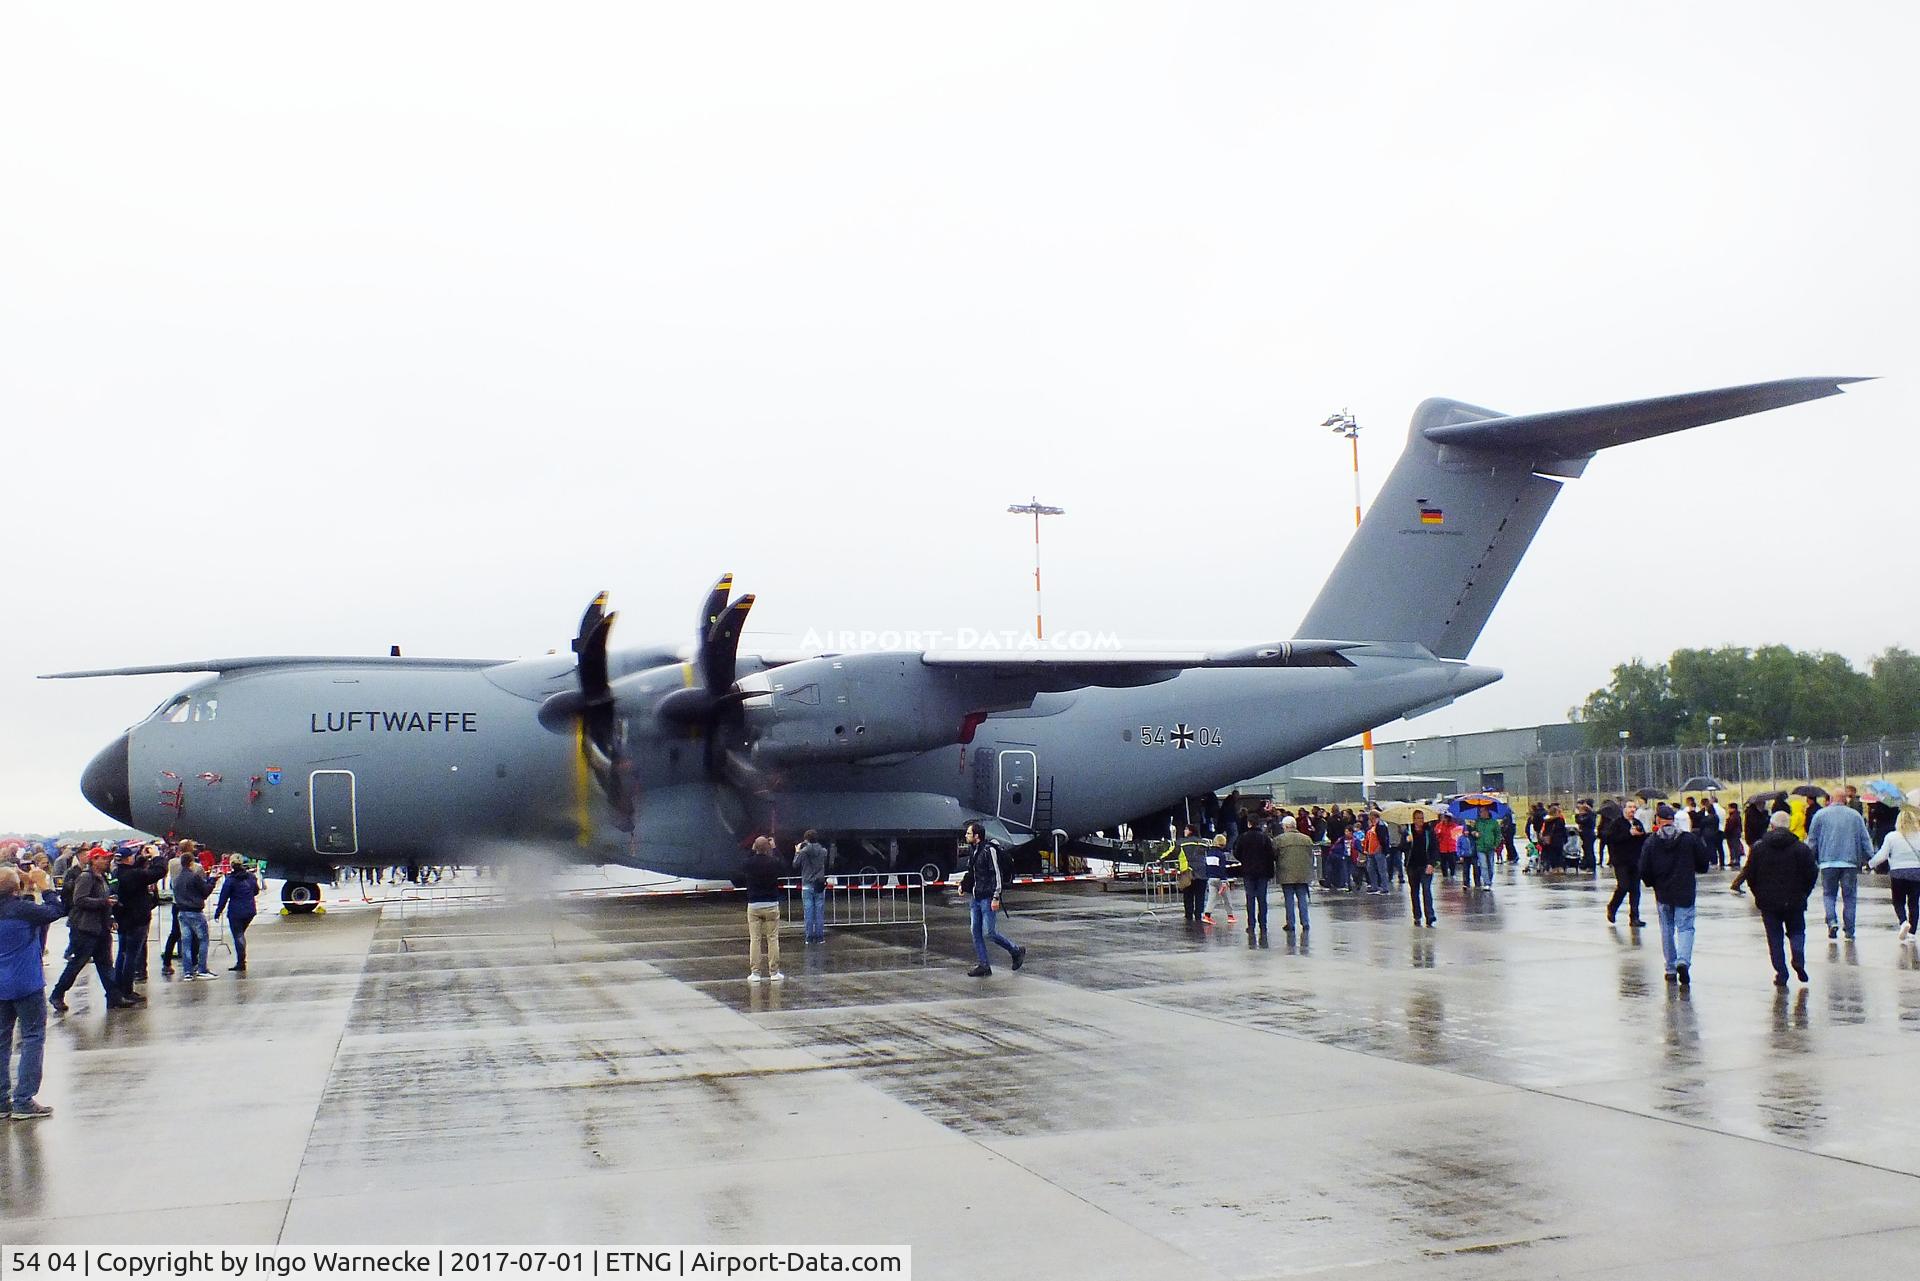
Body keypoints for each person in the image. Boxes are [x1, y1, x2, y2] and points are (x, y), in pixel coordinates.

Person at [0, 867, 66, 1119]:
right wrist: (44, 885)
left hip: (1, 983)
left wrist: (23, 888)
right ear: (15, 888)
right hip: (26, 981)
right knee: (32, 1037)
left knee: (2, 1040)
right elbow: (56, 911)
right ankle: (24, 1099)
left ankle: (1, 1099)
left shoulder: (17, 909)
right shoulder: (23, 911)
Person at [1733, 811, 1818, 985]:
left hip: (1768, 901)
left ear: (1771, 825)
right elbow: (1812, 873)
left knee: (1774, 937)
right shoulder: (1801, 848)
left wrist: (1758, 894)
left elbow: (1750, 874)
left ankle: (1781, 972)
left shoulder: (1759, 848)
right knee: (1797, 931)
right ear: (1788, 825)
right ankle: (1798, 959)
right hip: (1795, 899)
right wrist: (1804, 893)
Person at [1640, 804, 1711, 986]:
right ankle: (1683, 961)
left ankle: (1670, 967)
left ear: (1658, 819)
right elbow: (1703, 862)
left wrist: (1651, 882)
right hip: (1685, 889)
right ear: (1673, 819)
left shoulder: (1651, 841)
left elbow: (1644, 868)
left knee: (1667, 928)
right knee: (1686, 928)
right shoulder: (1688, 839)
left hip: (1663, 891)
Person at [49, 847, 126, 1012]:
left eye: (107, 858)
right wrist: (104, 902)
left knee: (105, 964)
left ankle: (115, 996)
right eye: (104, 858)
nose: (107, 861)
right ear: (94, 860)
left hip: (100, 928)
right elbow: (80, 900)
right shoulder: (86, 877)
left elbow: (102, 901)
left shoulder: (102, 878)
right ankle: (57, 994)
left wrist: (110, 917)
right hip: (84, 928)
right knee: (77, 964)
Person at [1808, 792, 1875, 941]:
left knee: (1829, 894)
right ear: (1845, 801)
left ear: (1830, 800)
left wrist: (1807, 859)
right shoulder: (1855, 816)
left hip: (1827, 862)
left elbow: (1812, 840)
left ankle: (1832, 921)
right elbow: (1865, 839)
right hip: (1850, 862)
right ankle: (1850, 930)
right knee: (1850, 897)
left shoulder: (1820, 815)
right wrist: (1872, 859)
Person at [962, 821, 1024, 976]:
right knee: (975, 931)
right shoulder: (974, 850)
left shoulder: (989, 851)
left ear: (976, 836)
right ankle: (984, 965)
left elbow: (996, 875)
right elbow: (972, 871)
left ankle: (1015, 950)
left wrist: (996, 896)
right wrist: (963, 885)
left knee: (989, 932)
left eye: (968, 833)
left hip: (988, 898)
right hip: (976, 898)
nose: (966, 836)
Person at [111, 846, 165, 1002]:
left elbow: (138, 873)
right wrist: (156, 856)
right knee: (131, 956)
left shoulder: (117, 873)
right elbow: (158, 872)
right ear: (129, 859)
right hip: (137, 919)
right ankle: (127, 990)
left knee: (122, 953)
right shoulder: (134, 875)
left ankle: (119, 987)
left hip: (123, 918)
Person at [1868, 806, 1920, 942]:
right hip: (1916, 872)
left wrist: (1870, 864)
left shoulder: (1891, 837)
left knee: (1898, 901)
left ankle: (1903, 922)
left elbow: (1882, 855)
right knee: (1914, 903)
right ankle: (1912, 933)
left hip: (1897, 872)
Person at [741, 835, 784, 983]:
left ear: (755, 847)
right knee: (772, 939)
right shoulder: (773, 862)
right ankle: (774, 972)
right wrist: (775, 848)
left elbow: (743, 863)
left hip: (754, 905)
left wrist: (752, 850)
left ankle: (755, 973)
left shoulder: (749, 863)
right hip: (771, 904)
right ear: (767, 848)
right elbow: (784, 866)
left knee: (755, 940)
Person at [172, 851, 218, 981]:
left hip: (182, 911)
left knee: (186, 942)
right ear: (191, 863)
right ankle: (202, 969)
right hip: (195, 911)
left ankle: (188, 971)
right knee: (203, 939)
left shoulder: (177, 878)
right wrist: (212, 881)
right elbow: (205, 892)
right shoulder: (194, 876)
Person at [214, 856, 261, 972]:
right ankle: (241, 960)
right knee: (241, 934)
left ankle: (241, 962)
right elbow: (256, 891)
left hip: (236, 912)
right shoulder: (250, 877)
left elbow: (223, 897)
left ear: (231, 865)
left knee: (238, 935)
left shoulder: (230, 880)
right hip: (250, 910)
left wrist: (218, 911)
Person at [1605, 804, 1648, 926]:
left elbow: (1643, 840)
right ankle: (1612, 907)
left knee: (1635, 889)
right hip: (1621, 860)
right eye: (1630, 807)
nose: (1632, 810)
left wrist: (1641, 835)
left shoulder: (1637, 822)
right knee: (1623, 886)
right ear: (1624, 809)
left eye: (1634, 807)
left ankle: (1634, 917)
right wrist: (1629, 834)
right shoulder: (1617, 823)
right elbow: (1611, 839)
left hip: (1635, 860)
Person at [1273, 815, 1315, 933]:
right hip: (1303, 873)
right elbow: (1310, 855)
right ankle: (1305, 922)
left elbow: (1274, 855)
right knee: (1302, 898)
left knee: (1289, 899)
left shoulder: (1279, 840)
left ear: (1285, 826)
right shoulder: (1306, 839)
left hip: (1286, 873)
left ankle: (1290, 923)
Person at [1233, 821, 1274, 937]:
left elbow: (1236, 852)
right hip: (1263, 872)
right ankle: (1263, 924)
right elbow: (1271, 854)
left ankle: (1251, 924)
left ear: (1249, 824)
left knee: (1250, 899)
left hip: (1248, 871)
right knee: (1262, 899)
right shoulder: (1264, 838)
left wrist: (1244, 860)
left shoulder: (1243, 837)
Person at [793, 830, 830, 944]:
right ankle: (820, 937)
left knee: (808, 912)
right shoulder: (823, 851)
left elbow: (795, 864)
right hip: (819, 884)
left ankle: (809, 937)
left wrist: (797, 851)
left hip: (807, 884)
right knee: (819, 912)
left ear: (806, 839)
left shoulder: (803, 852)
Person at [1402, 811, 1438, 926]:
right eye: (1417, 818)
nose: (1420, 821)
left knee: (1426, 890)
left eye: (1422, 818)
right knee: (1414, 892)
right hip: (1412, 866)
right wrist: (1407, 841)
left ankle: (1430, 915)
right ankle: (1417, 915)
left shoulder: (1429, 832)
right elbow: (1401, 848)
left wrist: (1432, 864)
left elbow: (1434, 849)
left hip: (1425, 865)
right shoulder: (1408, 832)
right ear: (1413, 819)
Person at [1202, 834, 1237, 926]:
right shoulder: (1221, 854)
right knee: (1227, 898)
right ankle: (1230, 916)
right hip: (1220, 879)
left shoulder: (1209, 853)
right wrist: (1224, 880)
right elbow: (1222, 868)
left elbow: (1207, 866)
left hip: (1210, 878)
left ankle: (1207, 915)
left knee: (1211, 898)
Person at [1177, 827, 1209, 922]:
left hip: (1188, 872)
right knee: (1200, 896)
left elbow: (1172, 852)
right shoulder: (1203, 843)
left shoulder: (1181, 842)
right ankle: (1198, 914)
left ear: (1190, 831)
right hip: (1202, 872)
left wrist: (1160, 860)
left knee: (1188, 895)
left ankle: (1189, 915)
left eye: (1186, 829)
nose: (1184, 831)